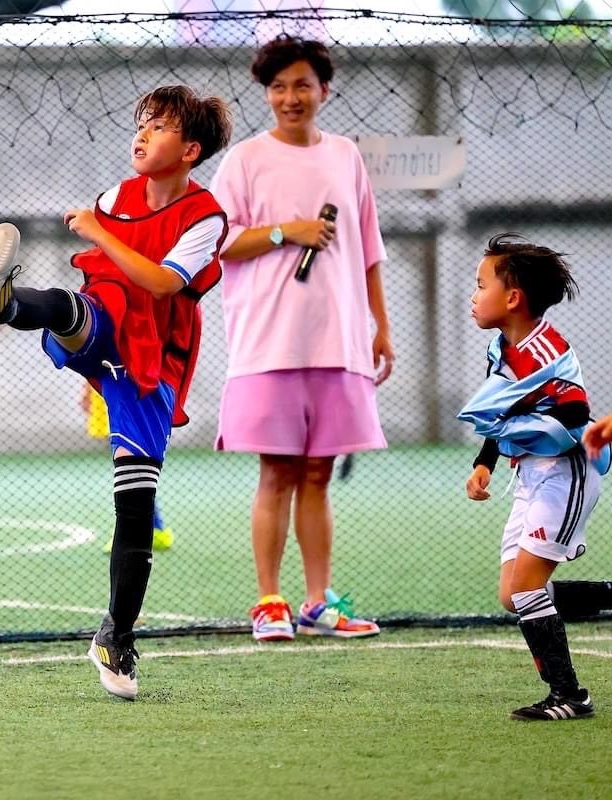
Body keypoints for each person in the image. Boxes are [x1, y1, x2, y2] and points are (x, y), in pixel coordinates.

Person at [0, 85, 232, 700]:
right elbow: (113, 276)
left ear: (189, 150)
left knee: (134, 508)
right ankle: (4, 304)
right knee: (77, 307)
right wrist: (101, 235)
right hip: (107, 320)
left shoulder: (205, 216)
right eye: (141, 121)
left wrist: (98, 232)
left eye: (158, 127)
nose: (142, 133)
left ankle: (117, 634)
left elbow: (162, 284)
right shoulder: (116, 196)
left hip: (155, 354)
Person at [210, 35, 394, 643]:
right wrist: (287, 232)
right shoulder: (241, 161)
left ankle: (317, 602)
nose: (292, 97)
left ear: (324, 91)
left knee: (318, 475)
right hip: (268, 343)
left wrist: (380, 327)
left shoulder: (345, 156)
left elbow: (368, 250)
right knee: (277, 473)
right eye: (280, 87)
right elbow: (219, 242)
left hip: (339, 342)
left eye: (303, 86)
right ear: (267, 93)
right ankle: (269, 601)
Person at [458, 233, 610, 721]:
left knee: (527, 590)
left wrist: (529, 428)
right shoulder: (499, 346)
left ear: (513, 298)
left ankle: (570, 695)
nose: (474, 295)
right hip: (532, 477)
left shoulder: (546, 350)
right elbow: (500, 408)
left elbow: (574, 411)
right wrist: (485, 461)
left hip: (567, 475)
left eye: (481, 284)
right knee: (514, 595)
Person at [83, 385, 175, 553]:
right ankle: (154, 529)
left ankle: (132, 532)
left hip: (125, 394)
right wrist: (87, 390)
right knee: (130, 470)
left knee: (132, 468)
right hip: (112, 391)